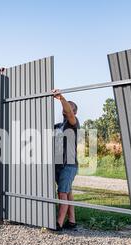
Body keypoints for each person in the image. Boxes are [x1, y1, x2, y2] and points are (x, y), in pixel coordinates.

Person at [53, 89, 80, 231]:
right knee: (67, 192)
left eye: (69, 107)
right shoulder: (58, 126)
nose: (65, 108)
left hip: (69, 165)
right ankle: (72, 222)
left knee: (62, 193)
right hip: (58, 165)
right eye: (64, 106)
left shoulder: (73, 123)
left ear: (74, 112)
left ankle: (59, 224)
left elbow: (68, 112)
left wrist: (61, 98)